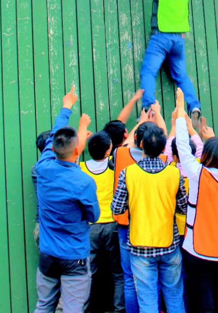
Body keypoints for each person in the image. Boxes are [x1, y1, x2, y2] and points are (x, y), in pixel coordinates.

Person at [176, 90, 218, 313]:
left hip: (199, 249)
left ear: (205, 155)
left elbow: (183, 148)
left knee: (204, 301)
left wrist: (179, 111)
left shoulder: (198, 174)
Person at [33, 86, 98, 313]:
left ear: (52, 149)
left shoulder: (43, 167)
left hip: (48, 253)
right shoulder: (84, 182)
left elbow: (55, 135)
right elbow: (94, 215)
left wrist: (66, 106)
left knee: (43, 306)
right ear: (78, 151)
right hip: (74, 256)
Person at [112, 122, 188, 313]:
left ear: (141, 145)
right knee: (174, 296)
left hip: (140, 245)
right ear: (164, 148)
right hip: (169, 243)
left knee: (147, 299)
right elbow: (182, 208)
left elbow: (117, 208)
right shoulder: (174, 173)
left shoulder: (128, 173)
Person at [112, 104, 169, 313]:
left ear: (138, 140)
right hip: (154, 225)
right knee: (157, 277)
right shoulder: (163, 161)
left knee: (129, 278)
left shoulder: (121, 155)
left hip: (126, 224)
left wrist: (142, 122)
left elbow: (127, 142)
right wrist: (156, 118)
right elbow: (165, 137)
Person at [138, 0, 202, 127]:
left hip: (160, 37)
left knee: (149, 72)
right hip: (178, 40)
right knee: (181, 76)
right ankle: (194, 106)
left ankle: (149, 108)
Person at [81, 130, 125, 313]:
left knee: (87, 274)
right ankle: (119, 309)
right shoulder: (115, 168)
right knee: (118, 274)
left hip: (90, 227)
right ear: (108, 152)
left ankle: (83, 308)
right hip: (112, 225)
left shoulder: (81, 168)